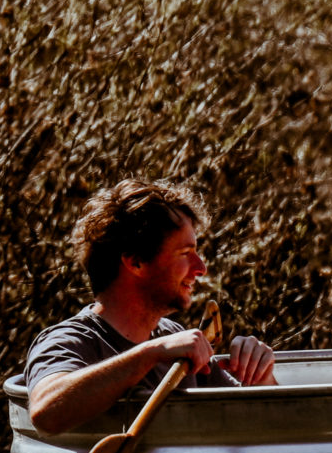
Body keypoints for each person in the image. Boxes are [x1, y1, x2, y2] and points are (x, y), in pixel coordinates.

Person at [26, 179, 278, 435]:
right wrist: (151, 354)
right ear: (136, 262)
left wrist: (262, 379)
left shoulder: (172, 336)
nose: (201, 268)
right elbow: (45, 411)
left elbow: (263, 429)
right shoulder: (70, 340)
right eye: (185, 253)